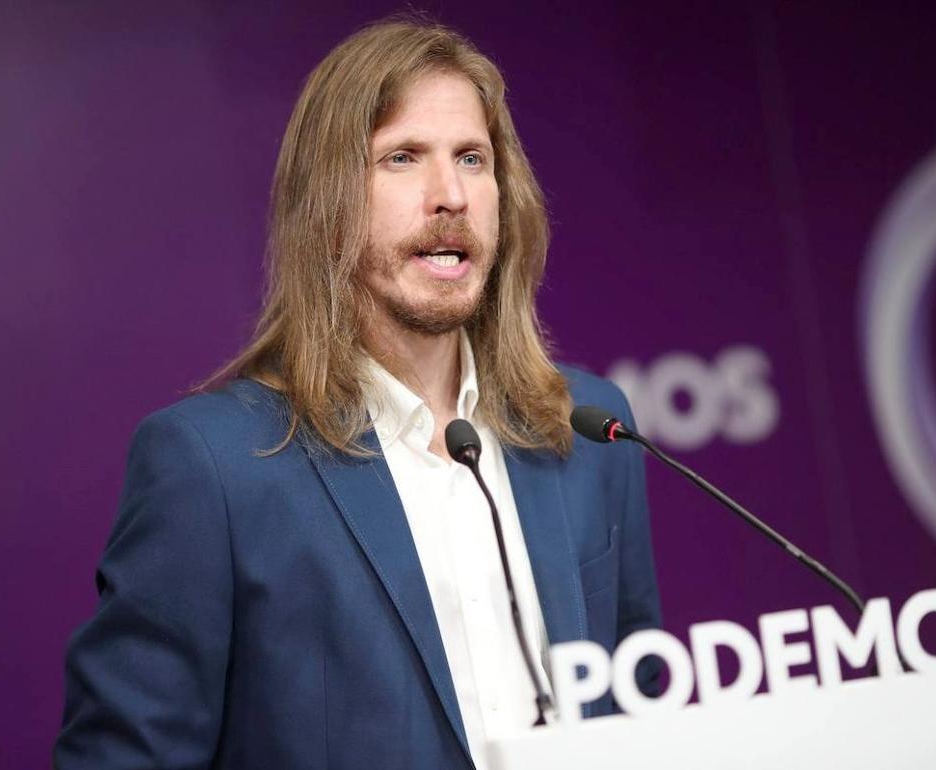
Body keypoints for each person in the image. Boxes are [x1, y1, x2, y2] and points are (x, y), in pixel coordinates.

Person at [55, 18, 661, 770]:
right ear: (327, 203)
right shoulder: (213, 466)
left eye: (472, 158)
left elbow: (642, 718)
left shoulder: (589, 432)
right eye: (402, 157)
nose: (450, 196)